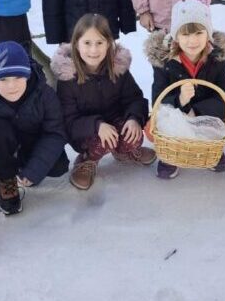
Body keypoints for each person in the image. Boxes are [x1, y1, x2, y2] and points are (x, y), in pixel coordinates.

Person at [144, 0, 225, 179]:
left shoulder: (216, 58)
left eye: (199, 33)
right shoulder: (164, 61)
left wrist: (199, 111)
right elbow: (158, 102)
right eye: (185, 34)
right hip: (177, 117)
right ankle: (171, 153)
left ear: (208, 34)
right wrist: (180, 100)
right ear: (176, 36)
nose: (193, 40)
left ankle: (211, 146)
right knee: (150, 129)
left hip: (209, 115)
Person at [51, 13, 155, 190]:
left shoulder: (117, 67)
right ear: (76, 44)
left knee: (134, 137)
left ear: (108, 44)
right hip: (85, 133)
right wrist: (97, 125)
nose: (93, 50)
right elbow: (68, 120)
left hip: (115, 122)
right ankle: (87, 159)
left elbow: (134, 98)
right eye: (87, 43)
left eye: (99, 43)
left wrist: (134, 118)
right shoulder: (67, 77)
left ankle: (125, 151)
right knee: (102, 141)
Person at [0, 41, 69, 215]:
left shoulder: (44, 95)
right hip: (3, 146)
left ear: (27, 75)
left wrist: (34, 169)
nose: (11, 86)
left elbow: (56, 133)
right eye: (3, 79)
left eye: (18, 77)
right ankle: (6, 179)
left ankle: (25, 169)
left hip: (33, 144)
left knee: (58, 167)